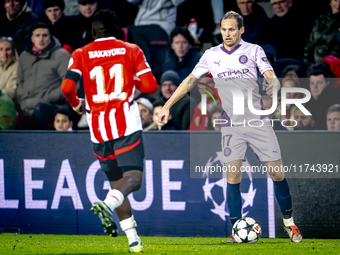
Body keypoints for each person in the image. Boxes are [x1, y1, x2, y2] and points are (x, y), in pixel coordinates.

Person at [158, 10, 303, 243]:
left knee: (277, 173)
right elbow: (190, 80)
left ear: (241, 30)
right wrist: (167, 105)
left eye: (231, 29)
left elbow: (269, 73)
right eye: (224, 29)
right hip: (231, 125)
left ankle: (289, 223)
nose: (227, 33)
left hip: (257, 121)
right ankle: (237, 229)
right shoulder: (211, 55)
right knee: (233, 176)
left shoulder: (254, 50)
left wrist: (273, 83)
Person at [61, 10, 157, 253]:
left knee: (118, 183)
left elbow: (67, 86)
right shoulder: (131, 49)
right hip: (125, 124)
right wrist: (131, 82)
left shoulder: (81, 53)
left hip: (98, 129)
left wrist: (76, 104)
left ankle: (134, 241)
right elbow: (149, 85)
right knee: (133, 180)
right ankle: (107, 203)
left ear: (92, 32)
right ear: (116, 29)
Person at [15, 22, 70, 129]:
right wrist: (24, 101)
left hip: (55, 106)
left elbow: (69, 86)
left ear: (50, 37)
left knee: (40, 108)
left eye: (45, 35)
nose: (41, 39)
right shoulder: (24, 56)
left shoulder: (62, 55)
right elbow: (19, 83)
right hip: (26, 105)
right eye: (37, 35)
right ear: (32, 38)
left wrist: (42, 99)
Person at [305, 62, 340, 130]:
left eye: (319, 83)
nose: (315, 86)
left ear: (327, 83)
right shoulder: (307, 103)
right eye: (312, 83)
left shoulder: (336, 100)